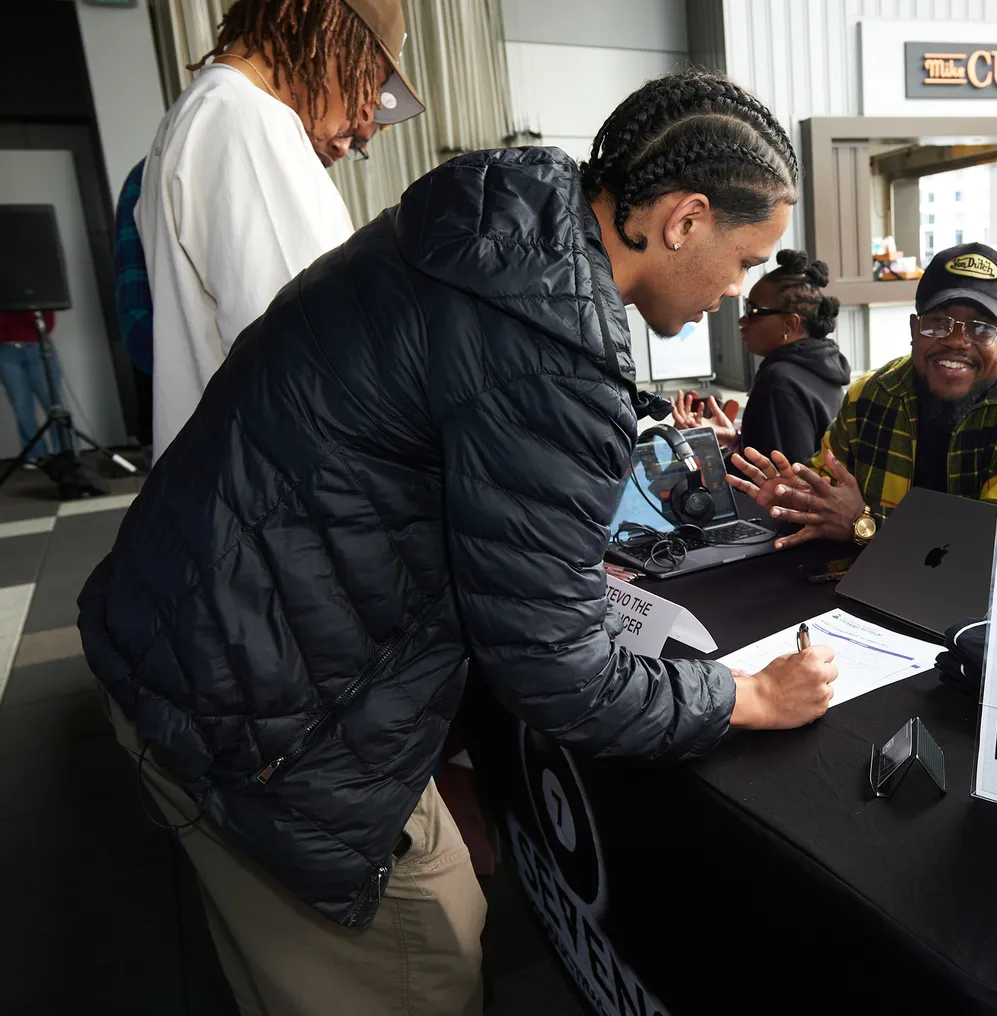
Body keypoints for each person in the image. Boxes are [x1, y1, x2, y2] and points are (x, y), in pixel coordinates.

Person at [78, 70, 837, 1016]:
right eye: (744, 260)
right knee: (425, 964)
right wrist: (746, 696)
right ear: (683, 220)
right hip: (265, 725)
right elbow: (556, 672)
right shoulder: (549, 349)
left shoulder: (485, 234)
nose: (736, 296)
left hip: (182, 635)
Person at [136, 0, 425, 455]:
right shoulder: (241, 119)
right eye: (372, 77)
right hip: (270, 483)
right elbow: (316, 355)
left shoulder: (215, 111)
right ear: (321, 27)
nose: (365, 112)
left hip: (239, 477)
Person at [729, 242, 997, 549]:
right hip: (863, 591)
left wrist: (863, 525)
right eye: (938, 323)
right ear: (915, 330)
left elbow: (995, 553)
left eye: (982, 328)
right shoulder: (871, 395)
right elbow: (825, 489)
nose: (957, 341)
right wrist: (797, 495)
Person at [670, 249, 850, 466]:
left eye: (753, 311)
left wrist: (702, 447)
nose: (742, 321)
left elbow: (776, 482)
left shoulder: (779, 380)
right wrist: (734, 439)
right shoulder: (820, 368)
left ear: (790, 324)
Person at [0, 310, 62, 463]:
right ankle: (35, 454)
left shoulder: (34, 289)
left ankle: (63, 451)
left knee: (53, 404)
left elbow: (47, 325)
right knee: (22, 408)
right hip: (6, 351)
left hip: (37, 347)